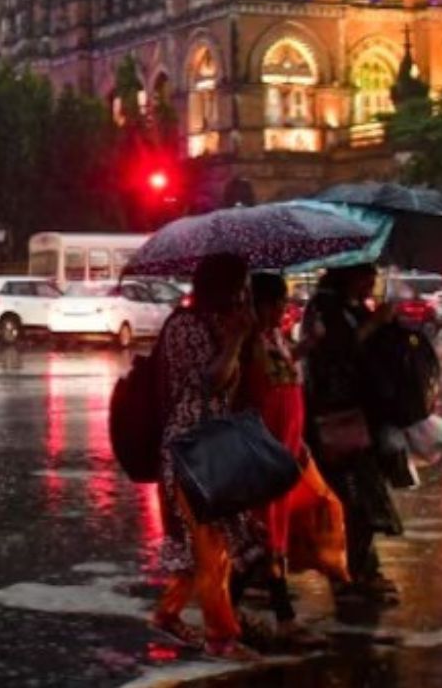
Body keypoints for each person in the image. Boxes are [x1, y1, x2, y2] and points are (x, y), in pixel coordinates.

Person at [150, 252, 257, 660]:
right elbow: (208, 382)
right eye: (241, 284)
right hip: (192, 446)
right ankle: (221, 638)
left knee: (210, 546)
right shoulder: (185, 326)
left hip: (215, 442)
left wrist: (243, 336)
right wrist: (234, 341)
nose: (245, 292)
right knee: (210, 544)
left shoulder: (218, 323)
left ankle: (168, 614)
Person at [302, 264, 404, 608]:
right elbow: (336, 352)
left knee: (365, 500)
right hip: (335, 419)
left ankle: (363, 570)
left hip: (362, 416)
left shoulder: (351, 308)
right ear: (349, 275)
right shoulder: (325, 309)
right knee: (351, 500)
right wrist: (374, 324)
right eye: (366, 276)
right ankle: (347, 575)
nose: (371, 283)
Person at [236, 272, 330, 645]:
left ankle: (231, 611)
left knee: (271, 538)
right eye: (274, 303)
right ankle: (274, 618)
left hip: (284, 456)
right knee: (264, 540)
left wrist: (307, 346)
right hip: (261, 457)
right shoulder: (246, 342)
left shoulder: (273, 337)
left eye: (283, 302)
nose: (281, 310)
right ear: (255, 304)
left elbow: (285, 372)